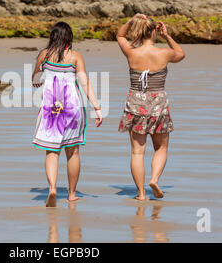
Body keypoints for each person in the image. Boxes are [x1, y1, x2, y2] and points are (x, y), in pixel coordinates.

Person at [32, 22, 103, 207]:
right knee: (73, 152)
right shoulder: (75, 57)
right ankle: (71, 194)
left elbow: (35, 78)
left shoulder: (43, 55)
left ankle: (53, 188)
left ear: (52, 36)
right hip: (73, 108)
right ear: (69, 38)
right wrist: (97, 107)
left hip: (50, 108)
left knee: (51, 151)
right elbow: (85, 83)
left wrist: (40, 80)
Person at [116, 14, 185, 201]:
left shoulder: (132, 52)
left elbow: (120, 36)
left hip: (136, 103)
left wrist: (131, 21)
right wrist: (167, 36)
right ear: (154, 32)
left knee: (137, 151)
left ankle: (140, 194)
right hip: (158, 105)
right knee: (161, 148)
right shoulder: (164, 53)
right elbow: (181, 54)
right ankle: (154, 179)